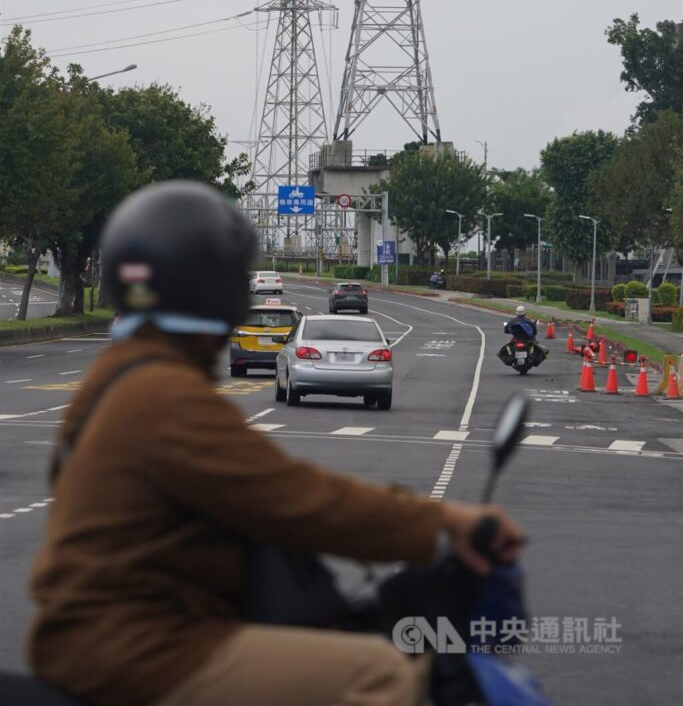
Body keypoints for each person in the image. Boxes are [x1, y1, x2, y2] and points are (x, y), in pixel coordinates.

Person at [27, 181, 523, 706]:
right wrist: (443, 526)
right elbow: (297, 499)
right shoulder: (162, 394)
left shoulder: (123, 373)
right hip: (138, 645)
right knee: (378, 671)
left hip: (127, 630)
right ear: (216, 290)